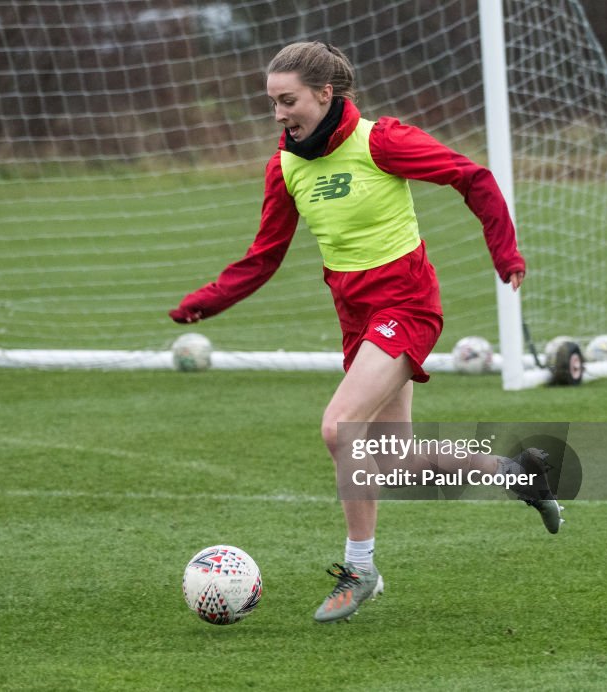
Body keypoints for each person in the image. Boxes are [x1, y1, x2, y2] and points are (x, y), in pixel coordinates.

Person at [170, 42, 562, 623]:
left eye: (288, 100)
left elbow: (471, 177)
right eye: (272, 102)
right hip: (357, 319)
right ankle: (519, 474)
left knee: (341, 428)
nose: (278, 114)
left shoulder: (381, 141)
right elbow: (264, 255)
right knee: (394, 456)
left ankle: (360, 568)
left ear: (325, 95)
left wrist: (505, 252)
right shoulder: (286, 166)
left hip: (407, 303)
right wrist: (208, 301)